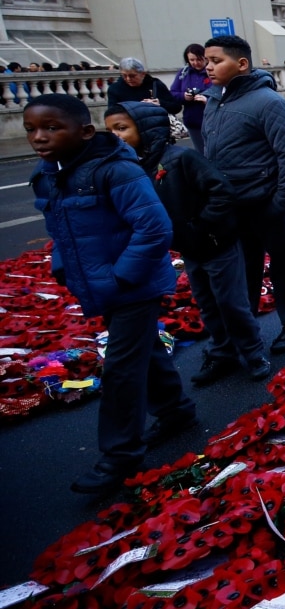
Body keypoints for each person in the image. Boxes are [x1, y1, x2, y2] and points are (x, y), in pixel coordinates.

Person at [25, 94, 197, 494]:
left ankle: (120, 455)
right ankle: (174, 411)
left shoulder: (116, 170)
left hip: (132, 284)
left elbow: (154, 228)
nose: (40, 137)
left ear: (85, 131)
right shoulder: (50, 172)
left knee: (121, 368)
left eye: (52, 127)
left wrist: (122, 277)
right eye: (32, 129)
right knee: (143, 350)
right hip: (102, 281)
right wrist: (63, 268)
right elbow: (62, 229)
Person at [104, 101, 271, 387]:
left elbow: (221, 192)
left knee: (231, 303)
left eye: (122, 128)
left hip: (216, 244)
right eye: (110, 131)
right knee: (206, 303)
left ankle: (253, 351)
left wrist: (201, 225)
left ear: (147, 129)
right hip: (189, 247)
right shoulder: (131, 168)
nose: (116, 136)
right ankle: (222, 351)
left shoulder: (181, 160)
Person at [202, 34, 285, 355]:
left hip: (269, 204)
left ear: (242, 63)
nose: (208, 67)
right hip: (232, 207)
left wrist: (280, 203)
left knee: (283, 265)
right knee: (242, 269)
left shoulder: (269, 103)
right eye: (207, 61)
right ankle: (245, 332)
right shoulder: (214, 101)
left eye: (216, 60)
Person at [169, 44, 211, 155]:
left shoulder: (212, 71)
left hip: (211, 119)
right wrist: (184, 96)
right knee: (201, 152)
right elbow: (173, 93)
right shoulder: (183, 73)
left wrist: (206, 99)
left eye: (199, 59)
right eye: (192, 60)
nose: (196, 63)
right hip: (193, 120)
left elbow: (222, 91)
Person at [106, 57, 182, 114]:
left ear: (143, 74)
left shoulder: (155, 84)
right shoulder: (115, 89)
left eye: (132, 76)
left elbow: (176, 107)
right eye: (124, 76)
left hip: (156, 130)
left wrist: (159, 103)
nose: (128, 79)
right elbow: (112, 113)